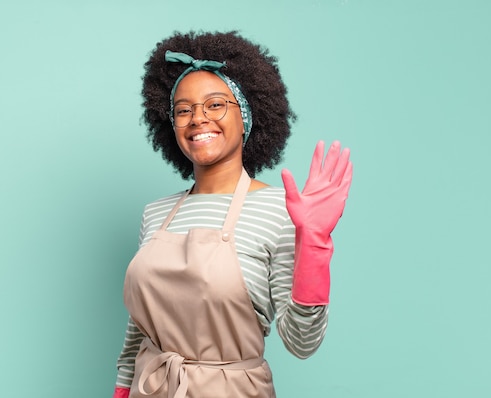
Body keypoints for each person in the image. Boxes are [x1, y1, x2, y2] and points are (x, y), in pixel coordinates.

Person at [112, 31, 352, 398]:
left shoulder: (280, 212)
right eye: (183, 109)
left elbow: (302, 343)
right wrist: (122, 391)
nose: (198, 119)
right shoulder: (155, 213)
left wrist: (314, 244)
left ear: (248, 116)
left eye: (215, 105)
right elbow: (139, 330)